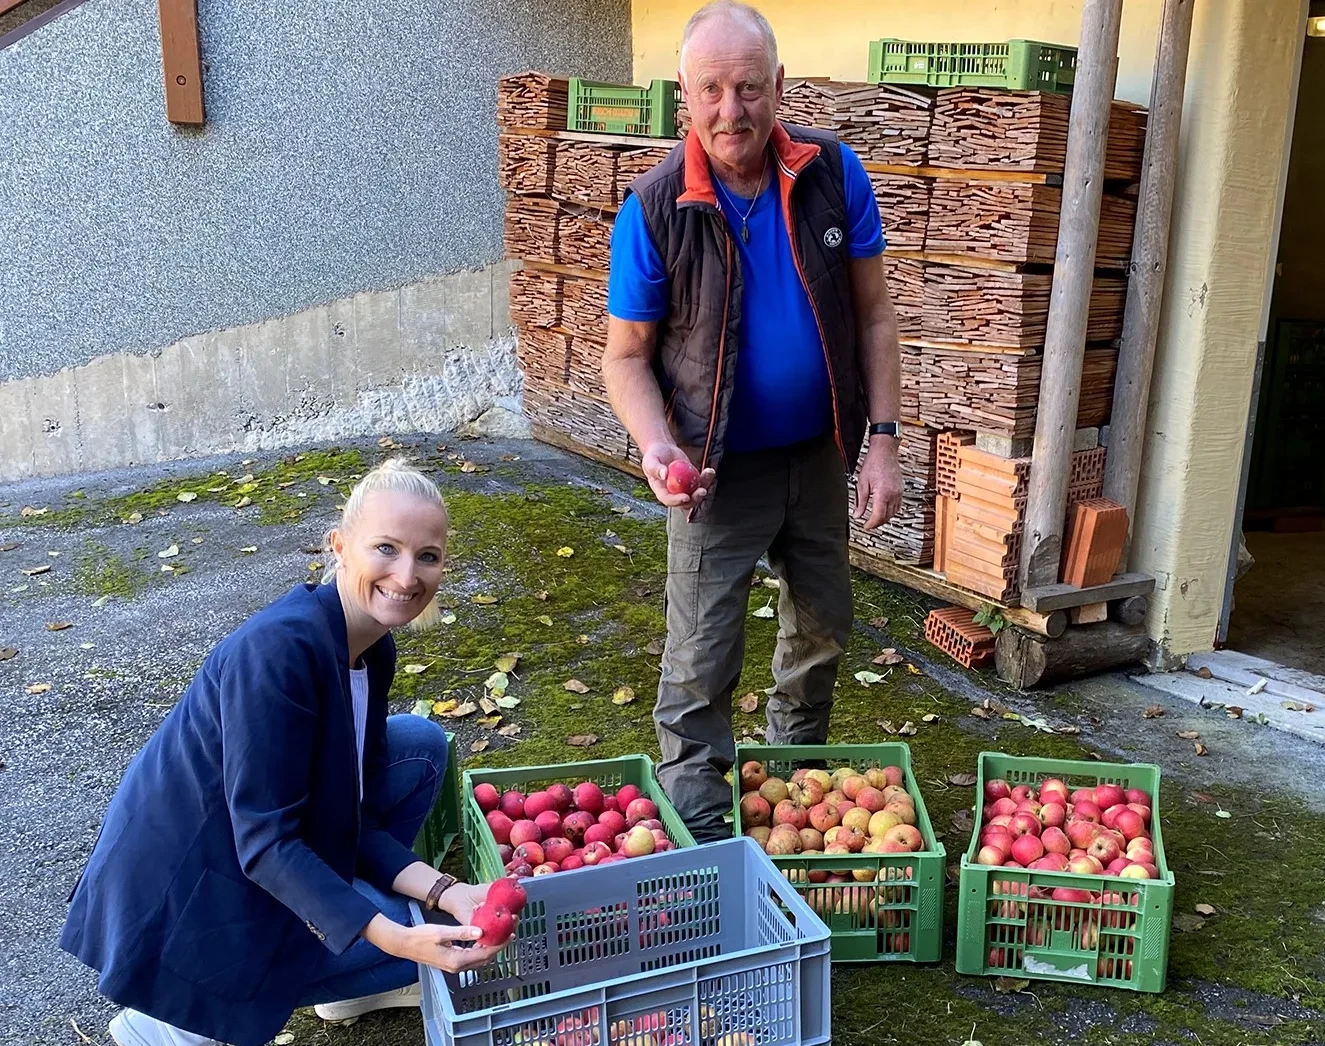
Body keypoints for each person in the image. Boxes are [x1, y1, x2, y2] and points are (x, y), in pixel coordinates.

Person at [60, 458, 507, 1046]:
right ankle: (166, 1025)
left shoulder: (371, 648)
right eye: (386, 548)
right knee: (424, 942)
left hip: (251, 841)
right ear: (339, 546)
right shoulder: (277, 654)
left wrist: (445, 891)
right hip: (190, 895)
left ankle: (351, 979)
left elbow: (360, 807)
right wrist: (394, 935)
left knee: (420, 748)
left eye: (427, 555)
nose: (407, 575)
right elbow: (267, 845)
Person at [601, 0, 904, 842]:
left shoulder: (832, 175)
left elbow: (874, 316)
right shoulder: (656, 207)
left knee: (820, 627)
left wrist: (881, 440)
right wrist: (658, 445)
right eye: (711, 90)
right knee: (701, 659)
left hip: (815, 456)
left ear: (778, 85)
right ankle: (701, 840)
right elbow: (624, 356)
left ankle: (796, 800)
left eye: (747, 88)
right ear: (682, 96)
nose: (730, 110)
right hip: (713, 470)